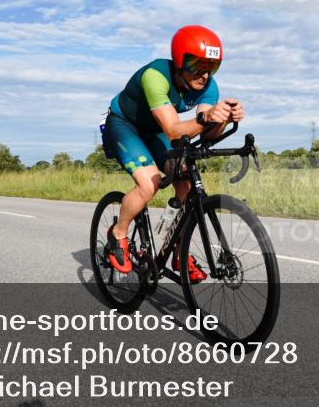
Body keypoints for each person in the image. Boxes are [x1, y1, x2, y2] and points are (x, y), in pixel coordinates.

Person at [101, 25, 243, 282]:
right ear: (179, 61)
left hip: (156, 130)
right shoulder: (156, 75)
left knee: (186, 181)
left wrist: (223, 119)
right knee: (149, 184)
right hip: (125, 125)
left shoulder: (208, 86)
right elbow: (175, 130)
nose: (204, 74)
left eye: (211, 66)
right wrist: (206, 117)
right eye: (196, 65)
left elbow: (207, 131)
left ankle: (179, 250)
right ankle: (118, 234)